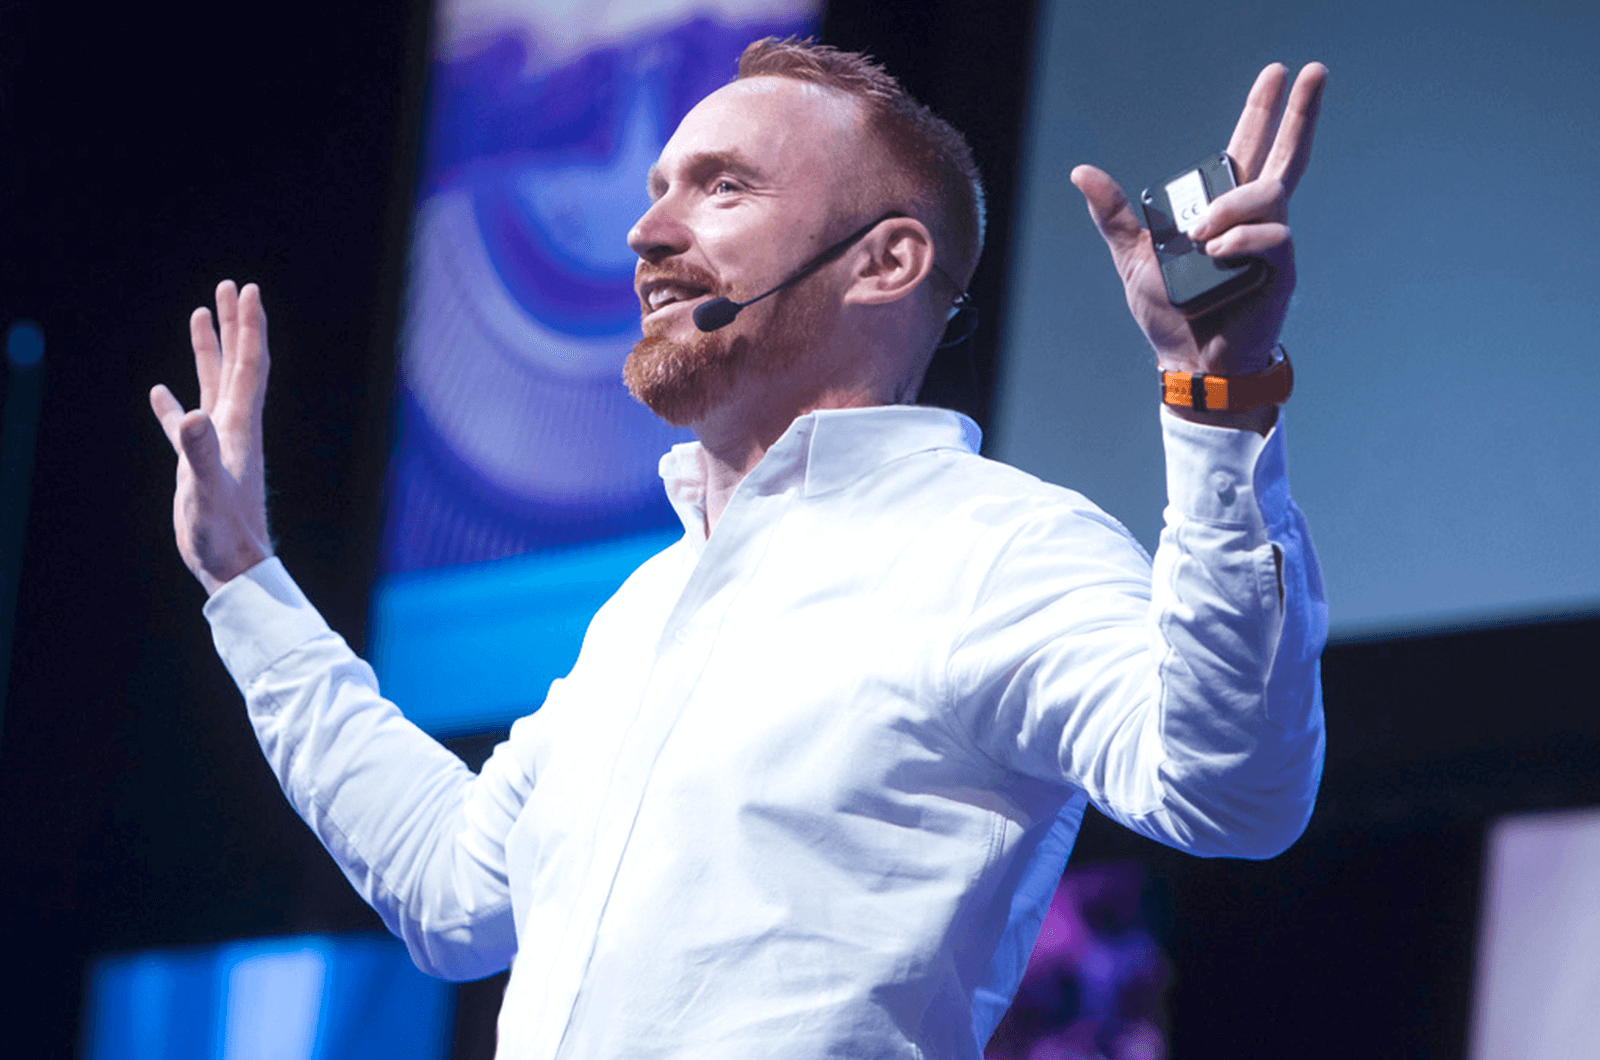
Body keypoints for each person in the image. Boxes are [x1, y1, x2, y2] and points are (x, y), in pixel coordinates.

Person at [149, 37, 1327, 1060]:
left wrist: (1216, 395)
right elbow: (453, 890)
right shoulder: (645, 609)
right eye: (660, 187)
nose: (645, 229)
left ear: (886, 262)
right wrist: (247, 580)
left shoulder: (996, 547)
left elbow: (1232, 787)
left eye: (719, 189)